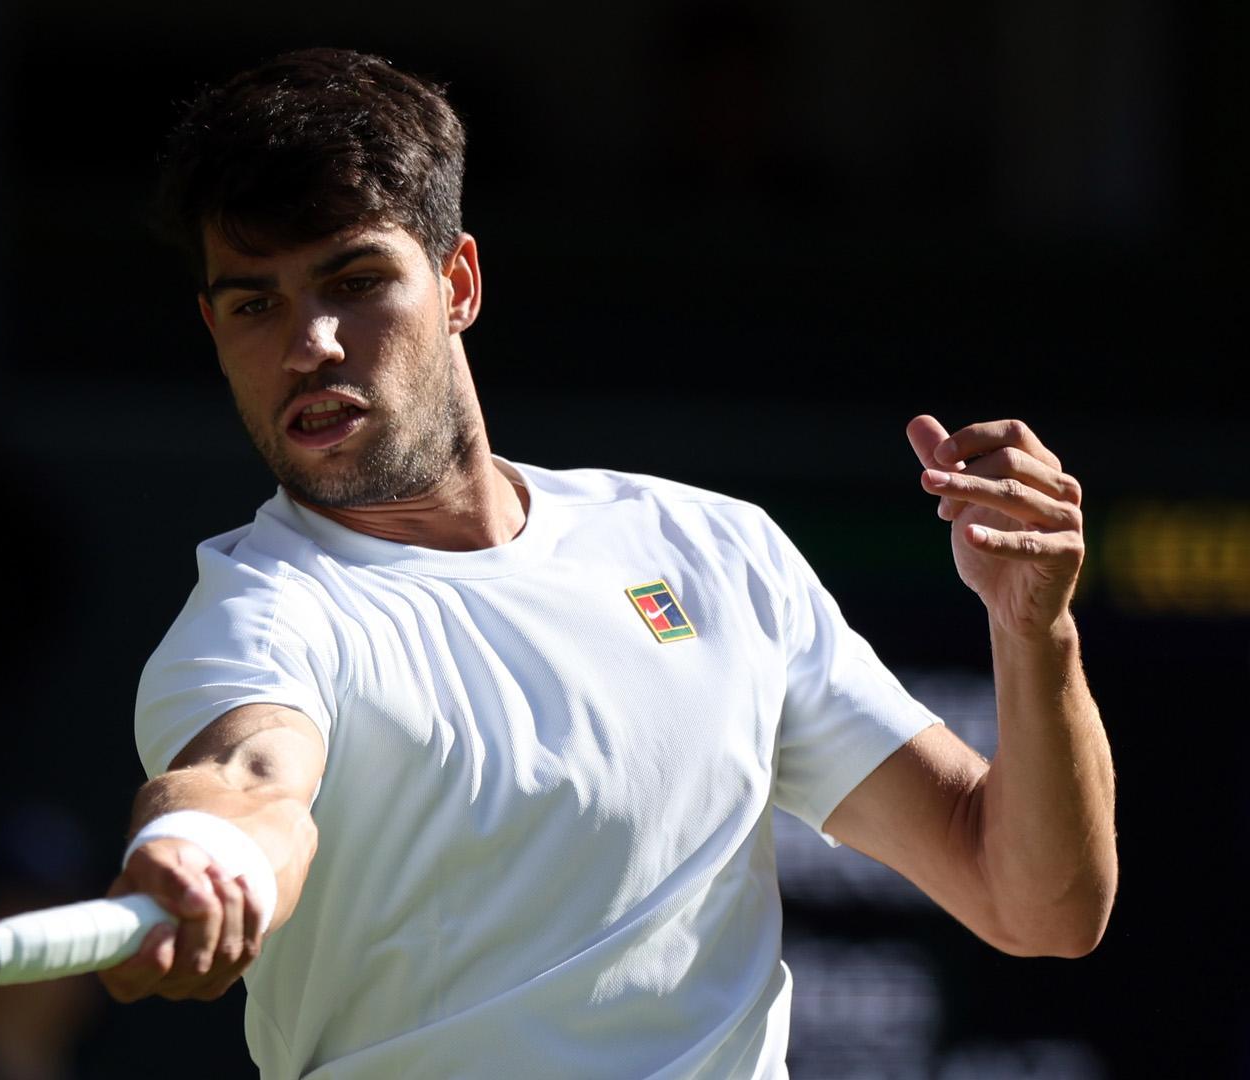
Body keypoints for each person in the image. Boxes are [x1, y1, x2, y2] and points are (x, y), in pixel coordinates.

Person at [97, 48, 1116, 1079]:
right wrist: (205, 856)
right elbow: (245, 780)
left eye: (354, 282)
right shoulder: (260, 619)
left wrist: (1037, 635)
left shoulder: (717, 552)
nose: (309, 342)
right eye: (252, 305)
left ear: (457, 284)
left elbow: (1037, 904)